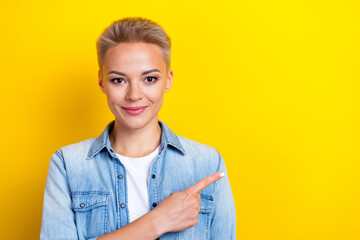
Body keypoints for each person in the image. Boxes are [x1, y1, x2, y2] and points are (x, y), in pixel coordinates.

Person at [40, 17, 236, 240]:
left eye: (149, 79)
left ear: (168, 80)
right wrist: (157, 222)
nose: (134, 95)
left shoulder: (207, 163)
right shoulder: (67, 165)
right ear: (102, 81)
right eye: (118, 80)